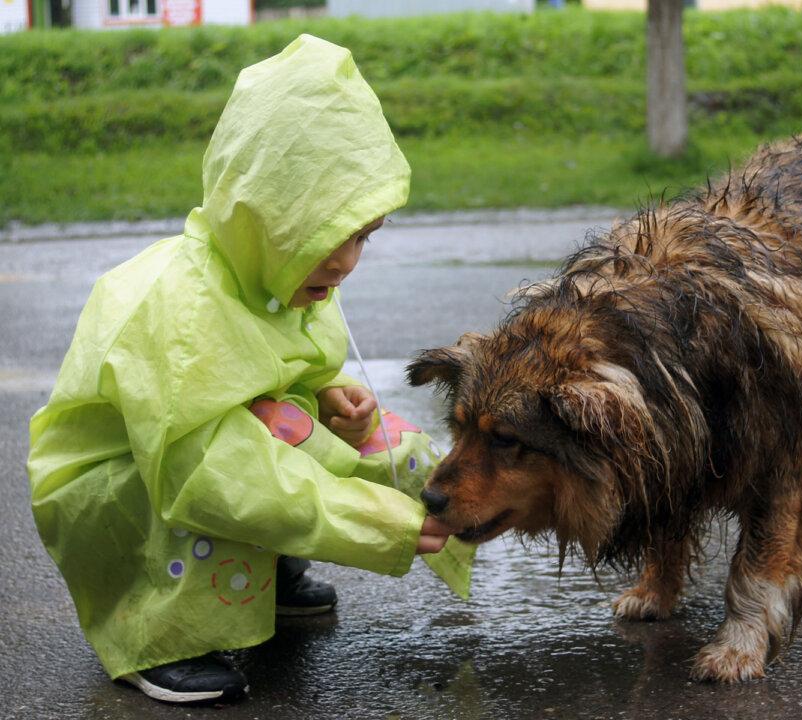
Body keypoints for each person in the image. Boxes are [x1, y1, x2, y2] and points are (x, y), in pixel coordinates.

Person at [26, 34, 472, 705]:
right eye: (327, 234)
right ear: (264, 216)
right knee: (246, 468)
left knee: (325, 433)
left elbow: (287, 379)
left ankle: (267, 573)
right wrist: (372, 522)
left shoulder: (276, 276)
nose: (347, 259)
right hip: (125, 492)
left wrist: (327, 400)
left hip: (213, 461)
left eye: (362, 235)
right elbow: (210, 472)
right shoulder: (177, 307)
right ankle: (161, 634)